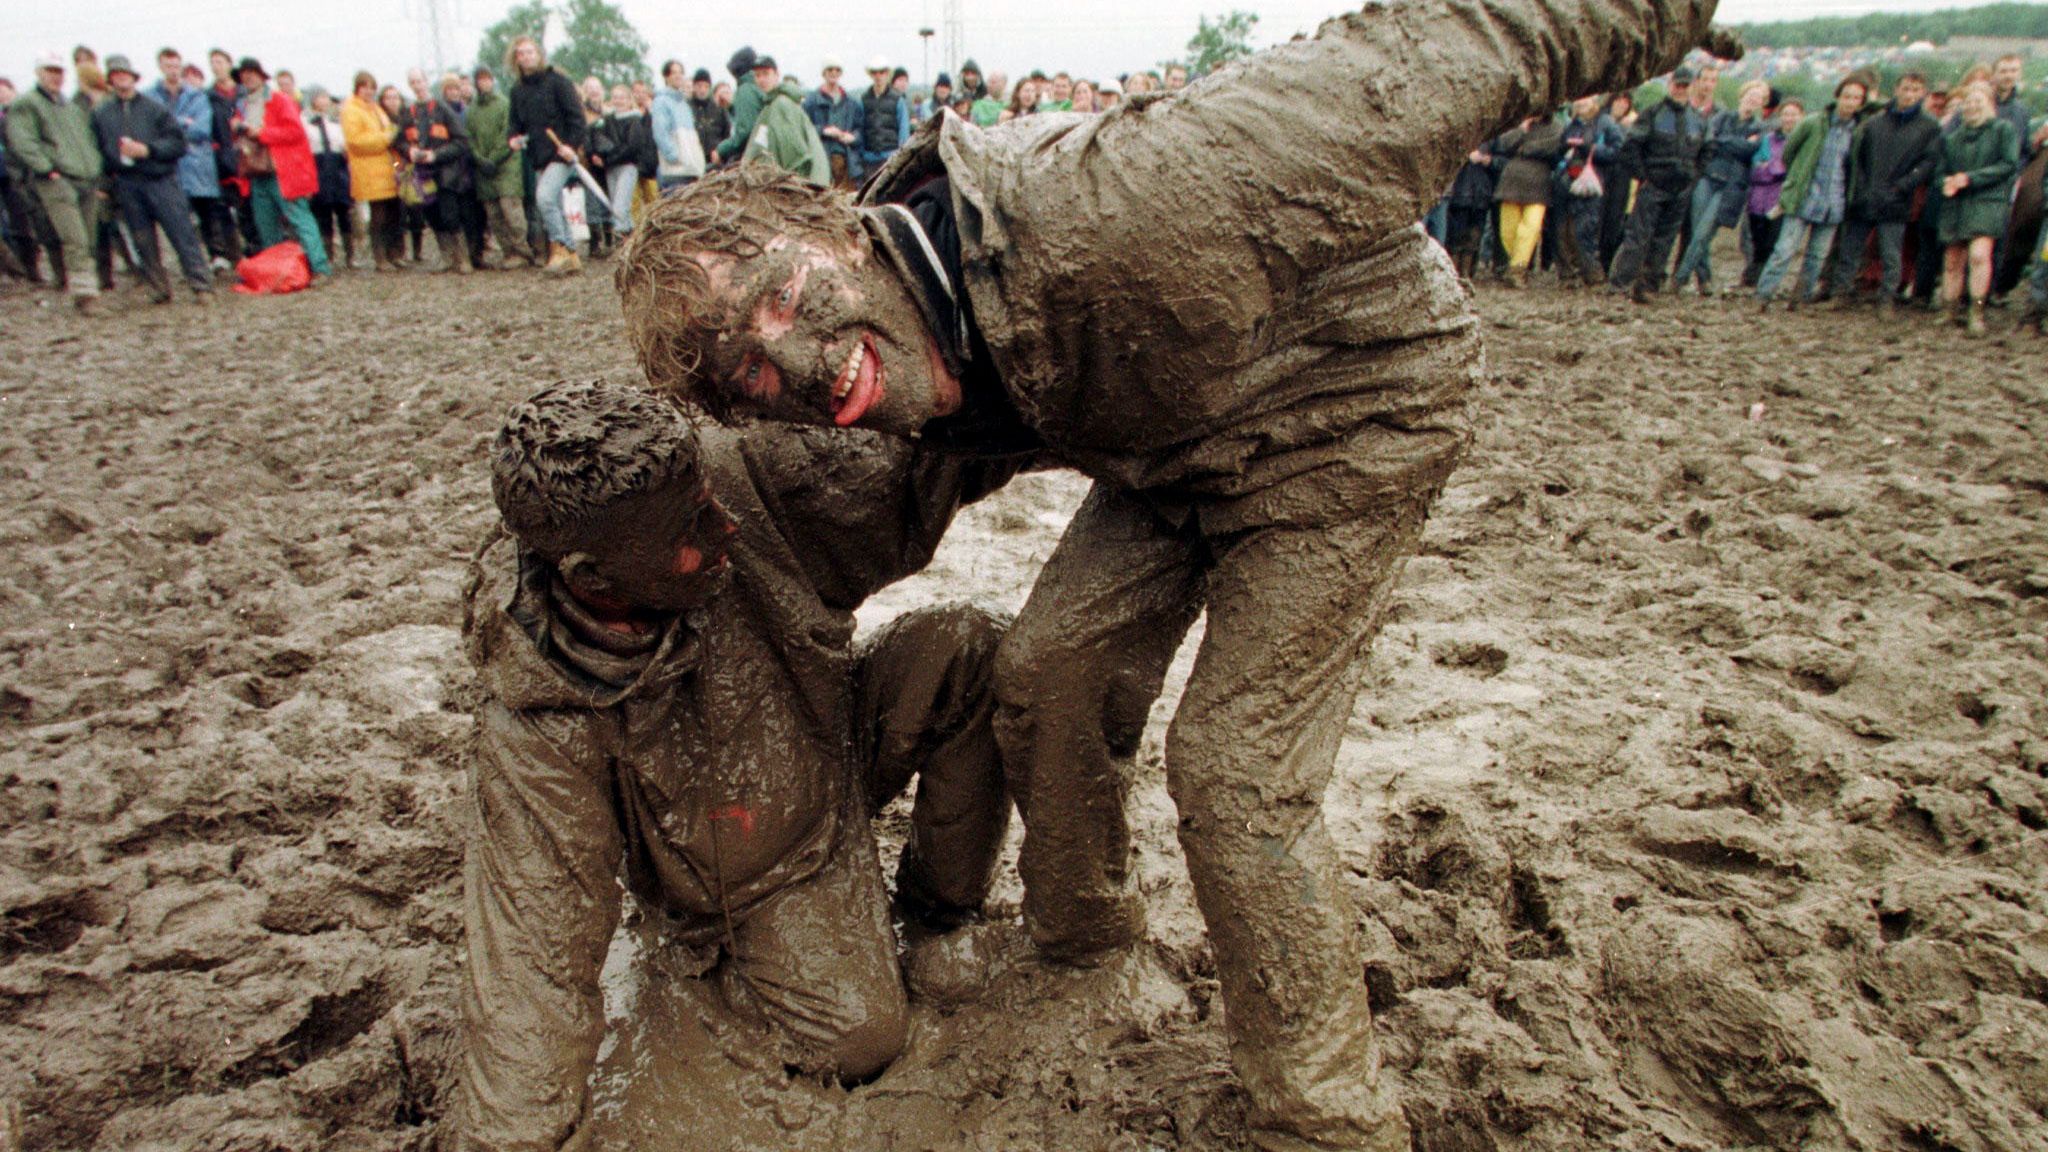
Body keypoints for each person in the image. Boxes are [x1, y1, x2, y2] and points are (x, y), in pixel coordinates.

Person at [616, 0, 1731, 1144]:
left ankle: (1323, 1115)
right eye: (748, 374)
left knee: (1236, 779)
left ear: (838, 227)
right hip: (1167, 447)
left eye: (782, 302)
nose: (796, 361)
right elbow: (811, 519)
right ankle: (1084, 942)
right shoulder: (874, 383)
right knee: (1044, 672)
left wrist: (1648, 13)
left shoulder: (1123, 201)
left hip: (1351, 408)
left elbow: (1425, 63)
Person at [450, 380, 1020, 1152]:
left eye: (711, 496)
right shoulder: (538, 721)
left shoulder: (726, 477)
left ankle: (938, 911)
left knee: (968, 648)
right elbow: (532, 961)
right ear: (593, 579)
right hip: (747, 872)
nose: (726, 527)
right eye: (692, 527)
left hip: (836, 732)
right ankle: (705, 964)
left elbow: (926, 459)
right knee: (861, 1036)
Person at [90, 54, 214, 303]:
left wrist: (148, 150)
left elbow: (178, 144)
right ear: (110, 80)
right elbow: (99, 150)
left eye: (125, 74)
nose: (121, 79)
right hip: (126, 183)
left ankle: (201, 285)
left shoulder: (154, 108)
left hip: (161, 180)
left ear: (133, 77)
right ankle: (158, 288)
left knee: (182, 233)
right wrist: (104, 184)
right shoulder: (101, 114)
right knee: (142, 240)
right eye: (115, 75)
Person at [1826, 71, 1939, 312]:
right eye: (1905, 88)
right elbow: (1859, 159)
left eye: (1915, 90)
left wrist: (1903, 186)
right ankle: (1840, 293)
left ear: (1922, 94)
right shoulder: (1874, 123)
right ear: (1896, 89)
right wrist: (1862, 188)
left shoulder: (1929, 127)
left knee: (1891, 254)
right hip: (1866, 196)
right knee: (1850, 249)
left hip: (1897, 200)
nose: (1909, 95)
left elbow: (1929, 163)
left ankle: (1887, 300)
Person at [1754, 74, 1867, 311]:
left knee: (1817, 256)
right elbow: (1789, 152)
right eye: (1847, 96)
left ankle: (1800, 299)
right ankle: (1763, 296)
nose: (1850, 102)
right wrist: (1796, 180)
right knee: (1785, 250)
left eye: (1857, 98)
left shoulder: (1857, 131)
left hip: (1833, 201)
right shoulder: (1814, 122)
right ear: (1837, 97)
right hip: (1804, 197)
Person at [6, 51, 104, 312]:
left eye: (59, 71)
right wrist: (47, 169)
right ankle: (85, 293)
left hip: (85, 177)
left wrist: (94, 166)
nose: (55, 77)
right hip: (57, 181)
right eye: (50, 71)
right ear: (39, 73)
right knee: (74, 238)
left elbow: (87, 139)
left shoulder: (70, 106)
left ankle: (87, 285)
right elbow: (23, 141)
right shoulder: (27, 104)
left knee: (89, 236)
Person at [1608, 64, 1704, 302]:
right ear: (1670, 85)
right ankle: (1621, 284)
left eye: (1685, 85)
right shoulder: (1653, 113)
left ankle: (1649, 285)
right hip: (1654, 184)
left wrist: (1693, 176)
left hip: (1681, 188)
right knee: (1638, 236)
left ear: (1692, 88)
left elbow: (1707, 151)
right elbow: (1630, 147)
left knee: (1665, 239)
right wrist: (1644, 176)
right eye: (1678, 85)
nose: (1681, 89)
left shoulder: (1699, 120)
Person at [233, 57, 332, 280]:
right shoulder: (243, 106)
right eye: (243, 73)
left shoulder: (279, 100)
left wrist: (262, 134)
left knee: (300, 219)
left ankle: (320, 268)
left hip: (282, 172)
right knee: (266, 225)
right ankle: (277, 273)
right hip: (257, 174)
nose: (247, 77)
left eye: (252, 72)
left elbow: (295, 132)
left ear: (261, 75)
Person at [1935, 82, 2020, 336]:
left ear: (1990, 105)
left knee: (1979, 255)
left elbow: (2008, 165)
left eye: (1978, 102)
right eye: (1968, 102)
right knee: (1952, 260)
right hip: (1957, 204)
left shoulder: (2003, 131)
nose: (1972, 107)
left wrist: (1971, 178)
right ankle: (1949, 310)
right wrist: (1946, 183)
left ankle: (1977, 312)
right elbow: (1940, 173)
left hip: (1987, 202)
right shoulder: (1952, 139)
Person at [1672, 76, 1765, 294]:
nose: (1753, 101)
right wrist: (1737, 143)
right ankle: (1705, 281)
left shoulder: (1760, 128)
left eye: (1758, 98)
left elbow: (1748, 150)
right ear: (1742, 96)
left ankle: (1680, 278)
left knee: (1704, 232)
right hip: (1708, 177)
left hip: (1731, 185)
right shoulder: (1723, 117)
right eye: (1751, 96)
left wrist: (1727, 141)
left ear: (1761, 103)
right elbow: (1711, 141)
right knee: (1697, 231)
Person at [506, 35, 586, 277]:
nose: (526, 56)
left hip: (561, 153)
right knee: (554, 204)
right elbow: (514, 124)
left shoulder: (558, 82)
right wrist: (513, 138)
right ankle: (570, 255)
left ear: (539, 54)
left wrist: (572, 145)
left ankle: (560, 247)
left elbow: (577, 118)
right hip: (538, 155)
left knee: (545, 198)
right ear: (516, 58)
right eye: (521, 53)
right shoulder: (517, 91)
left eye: (530, 51)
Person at [149, 49, 234, 271]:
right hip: (169, 167)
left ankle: (217, 256)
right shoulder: (151, 96)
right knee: (179, 219)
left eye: (176, 65)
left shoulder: (197, 95)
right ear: (160, 66)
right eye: (168, 66)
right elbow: (152, 130)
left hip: (198, 164)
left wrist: (172, 132)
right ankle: (192, 262)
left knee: (208, 212)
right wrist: (182, 123)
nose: (173, 70)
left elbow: (201, 129)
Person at [395, 68, 474, 273]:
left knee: (451, 215)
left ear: (426, 81)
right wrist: (409, 151)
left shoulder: (442, 108)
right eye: (412, 82)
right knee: (431, 215)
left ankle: (462, 258)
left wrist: (436, 155)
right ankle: (446, 257)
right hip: (420, 174)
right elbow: (398, 141)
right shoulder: (408, 112)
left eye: (419, 81)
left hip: (446, 172)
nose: (417, 85)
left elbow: (462, 141)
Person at [466, 65, 533, 268]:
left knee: (511, 210)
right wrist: (479, 158)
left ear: (492, 80)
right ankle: (508, 252)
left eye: (487, 78)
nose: (483, 82)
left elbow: (507, 133)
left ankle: (522, 251)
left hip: (506, 165)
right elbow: (469, 137)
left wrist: (494, 158)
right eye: (480, 79)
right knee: (494, 214)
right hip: (483, 169)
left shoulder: (505, 104)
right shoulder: (472, 110)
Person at [1554, 93, 1621, 286]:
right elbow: (1559, 151)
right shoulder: (1572, 125)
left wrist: (1590, 149)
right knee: (1561, 230)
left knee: (1585, 229)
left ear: (1595, 101)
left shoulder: (1606, 123)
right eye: (1578, 98)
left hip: (1591, 182)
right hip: (1566, 180)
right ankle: (1566, 274)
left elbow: (1618, 150)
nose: (1581, 102)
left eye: (1586, 98)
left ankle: (1592, 274)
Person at [1490, 112, 1564, 287]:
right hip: (1511, 182)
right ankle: (1515, 266)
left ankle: (1517, 269)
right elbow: (1503, 144)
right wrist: (1521, 130)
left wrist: (1524, 148)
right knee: (1508, 231)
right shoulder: (1517, 123)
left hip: (1538, 183)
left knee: (1530, 228)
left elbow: (1552, 147)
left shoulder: (1556, 126)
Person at [341, 71, 402, 271]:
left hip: (386, 168)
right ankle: (380, 258)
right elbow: (356, 142)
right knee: (378, 216)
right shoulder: (351, 110)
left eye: (372, 87)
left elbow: (389, 130)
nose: (368, 91)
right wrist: (385, 138)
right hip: (368, 171)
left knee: (393, 214)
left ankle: (394, 254)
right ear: (357, 88)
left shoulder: (376, 108)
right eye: (364, 87)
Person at [740, 56, 829, 187]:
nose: (761, 79)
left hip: (802, 185)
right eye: (758, 75)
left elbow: (796, 158)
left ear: (776, 75)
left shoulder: (781, 104)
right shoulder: (771, 104)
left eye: (766, 74)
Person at [1743, 97, 1800, 290]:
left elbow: (1792, 169)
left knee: (1772, 240)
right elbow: (1756, 165)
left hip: (1781, 199)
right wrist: (1774, 169)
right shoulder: (1768, 138)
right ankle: (1752, 277)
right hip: (1758, 198)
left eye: (1793, 114)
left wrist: (1772, 167)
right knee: (1756, 239)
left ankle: (1763, 280)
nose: (1789, 118)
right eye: (1786, 114)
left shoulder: (1801, 140)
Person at [302, 87, 354, 270]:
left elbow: (343, 144)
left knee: (343, 212)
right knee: (323, 213)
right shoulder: (306, 121)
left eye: (327, 98)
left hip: (337, 165)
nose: (325, 102)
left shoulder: (336, 121)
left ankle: (350, 255)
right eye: (321, 97)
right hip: (319, 165)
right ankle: (328, 254)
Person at [593, 83, 650, 237]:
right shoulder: (607, 120)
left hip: (627, 166)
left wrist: (609, 158)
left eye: (622, 97)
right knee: (616, 205)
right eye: (616, 97)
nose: (619, 101)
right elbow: (598, 138)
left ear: (628, 99)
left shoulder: (634, 120)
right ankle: (630, 237)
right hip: (611, 168)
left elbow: (632, 147)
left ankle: (622, 238)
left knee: (620, 206)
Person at [802, 58, 862, 188]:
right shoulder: (811, 101)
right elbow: (803, 129)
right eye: (830, 69)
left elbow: (860, 130)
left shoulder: (852, 102)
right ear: (823, 73)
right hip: (821, 164)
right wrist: (823, 130)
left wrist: (853, 137)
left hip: (847, 164)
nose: (833, 73)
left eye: (837, 70)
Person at [651, 59, 705, 192]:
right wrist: (673, 156)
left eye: (680, 72)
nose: (678, 76)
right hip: (674, 170)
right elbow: (660, 132)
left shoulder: (684, 104)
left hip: (690, 168)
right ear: (666, 76)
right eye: (673, 73)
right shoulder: (661, 101)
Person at [1596, 90, 1635, 270]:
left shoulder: (1632, 124)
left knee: (1615, 218)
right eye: (1618, 100)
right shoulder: (1600, 120)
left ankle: (1606, 260)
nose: (1622, 104)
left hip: (1621, 176)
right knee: (1597, 216)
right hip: (1601, 171)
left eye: (1626, 102)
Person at [714, 47, 765, 166]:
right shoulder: (757, 86)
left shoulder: (745, 89)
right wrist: (732, 107)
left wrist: (721, 149)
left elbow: (745, 131)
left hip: (752, 158)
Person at [859, 57, 908, 177]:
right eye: (875, 72)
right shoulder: (863, 100)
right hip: (869, 160)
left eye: (882, 72)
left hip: (890, 158)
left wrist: (900, 156)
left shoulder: (898, 99)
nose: (878, 76)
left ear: (887, 74)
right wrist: (863, 154)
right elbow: (860, 128)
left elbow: (904, 129)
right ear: (871, 75)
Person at [688, 68, 729, 171]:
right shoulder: (686, 108)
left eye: (706, 86)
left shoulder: (718, 109)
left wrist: (722, 152)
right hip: (693, 162)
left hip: (715, 161)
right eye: (699, 86)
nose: (702, 90)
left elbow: (726, 134)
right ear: (694, 87)